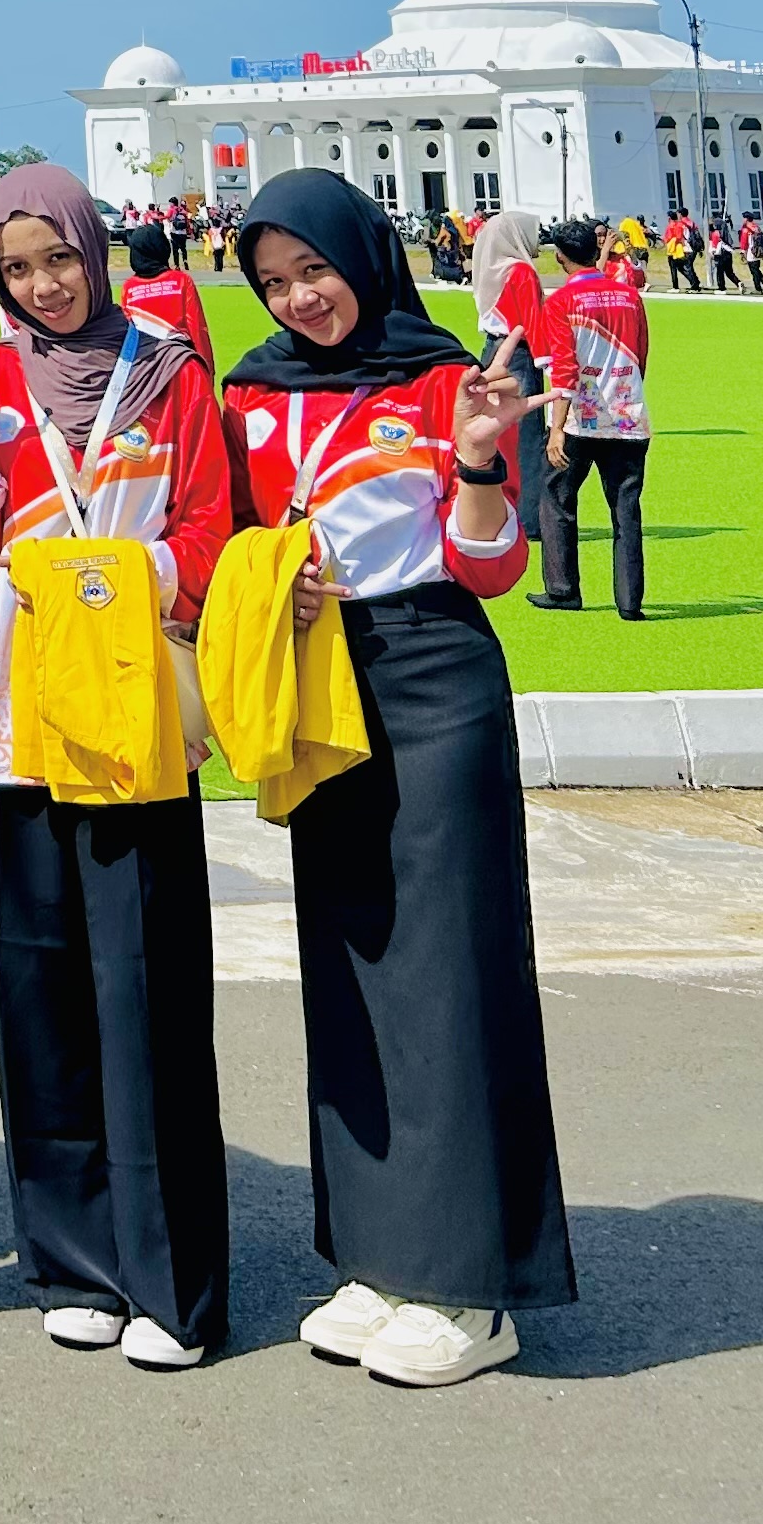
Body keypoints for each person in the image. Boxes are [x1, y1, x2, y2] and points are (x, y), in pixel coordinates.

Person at [226, 171, 573, 1388]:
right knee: (352, 963)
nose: (299, 298)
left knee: (450, 974)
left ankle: (471, 1288)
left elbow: (489, 568)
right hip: (316, 683)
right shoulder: (252, 391)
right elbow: (228, 541)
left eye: (315, 270)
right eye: (274, 281)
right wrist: (268, 584)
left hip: (432, 680)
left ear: (364, 259)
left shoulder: (443, 381)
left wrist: (479, 462)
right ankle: (382, 1257)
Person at [0, 167, 232, 1370]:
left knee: (147, 993)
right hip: (24, 719)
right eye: (17, 269)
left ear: (93, 251)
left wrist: (119, 575)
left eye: (58, 258)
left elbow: (209, 524)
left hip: (135, 710)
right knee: (42, 991)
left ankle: (171, 1281)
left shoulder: (169, 369)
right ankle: (73, 1262)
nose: (44, 286)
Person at [531, 219, 650, 623]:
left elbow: (564, 369)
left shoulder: (561, 301)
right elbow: (641, 353)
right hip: (628, 415)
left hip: (580, 420)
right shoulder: (629, 296)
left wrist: (556, 428)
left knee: (557, 499)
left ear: (560, 257)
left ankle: (562, 589)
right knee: (626, 509)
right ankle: (630, 602)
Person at [471, 206, 550, 550]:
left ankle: (495, 511)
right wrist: (548, 360)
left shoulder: (490, 268)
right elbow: (531, 318)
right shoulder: (520, 271)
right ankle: (531, 517)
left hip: (492, 349)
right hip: (519, 352)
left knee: (496, 434)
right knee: (528, 437)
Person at [118, 217, 215, 373]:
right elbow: (197, 328)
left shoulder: (129, 288)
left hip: (145, 369)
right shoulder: (181, 281)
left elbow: (128, 337)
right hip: (180, 364)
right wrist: (207, 368)